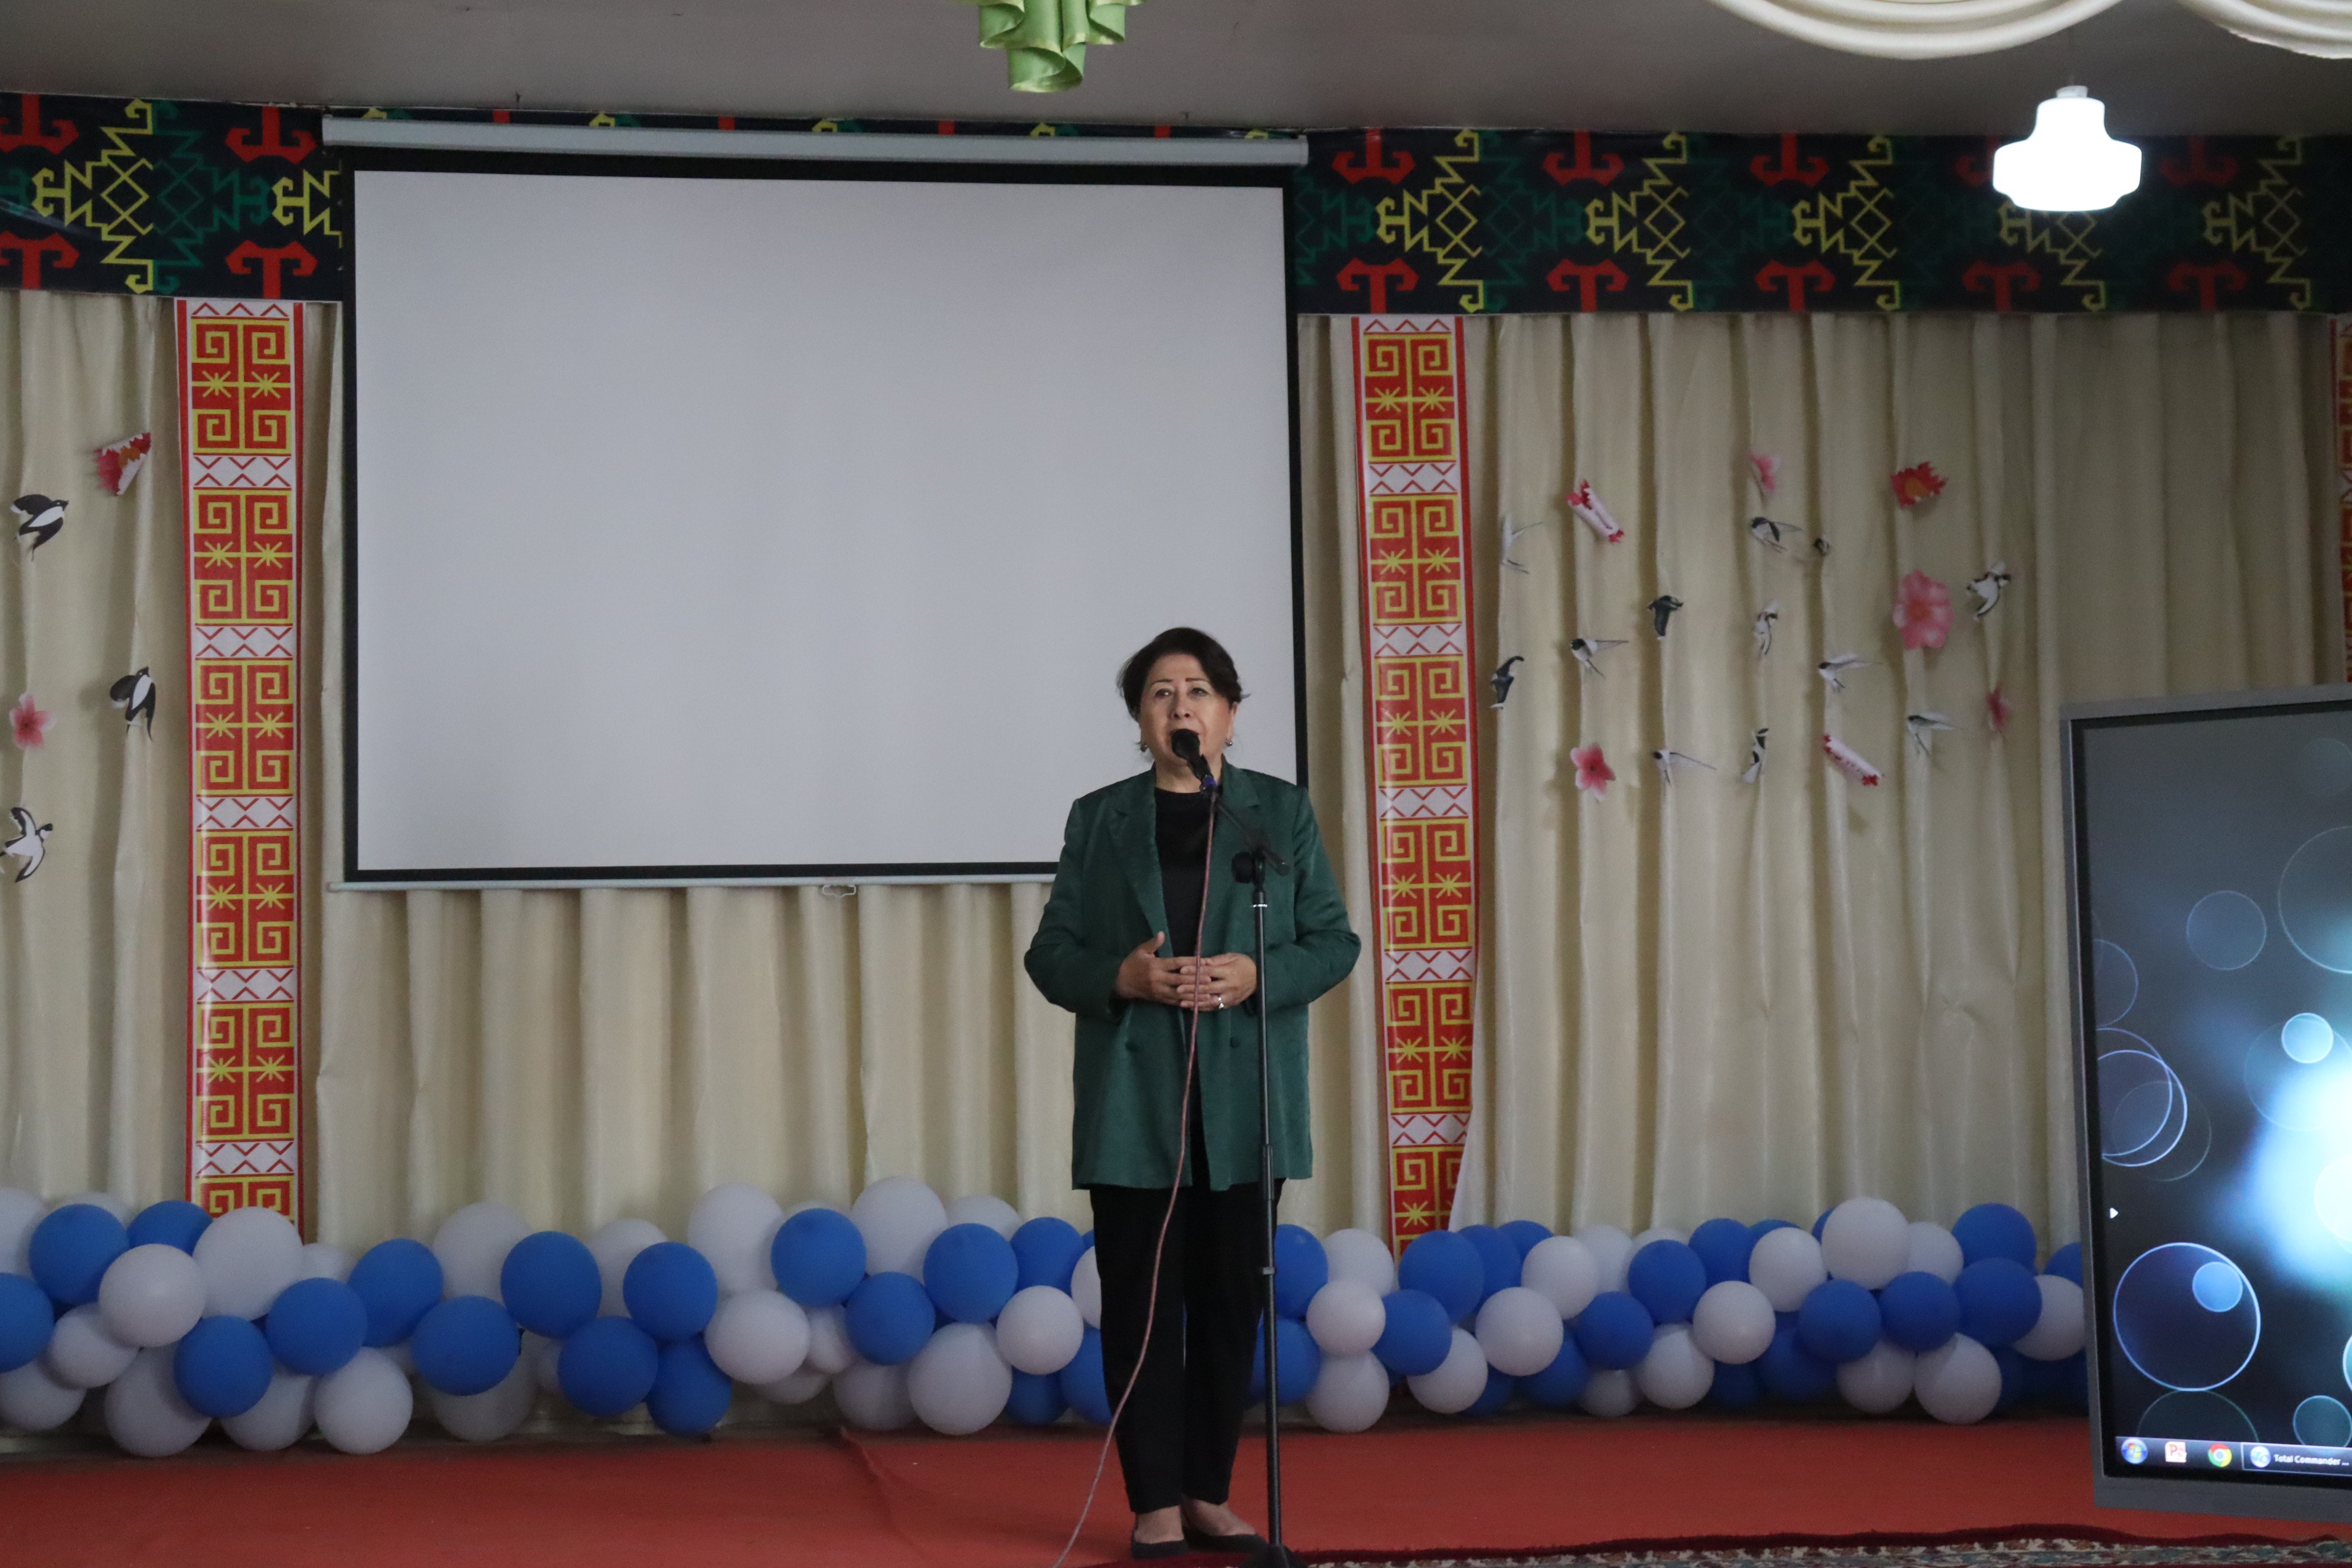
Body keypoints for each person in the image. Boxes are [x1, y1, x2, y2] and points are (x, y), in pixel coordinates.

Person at [1025, 627, 1360, 1560]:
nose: (1182, 706)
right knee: (1142, 1311)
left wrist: (1258, 975)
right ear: (1141, 720)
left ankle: (1208, 1491)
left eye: (1199, 690)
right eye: (1162, 692)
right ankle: (1154, 1506)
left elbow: (1333, 941)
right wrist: (1121, 977)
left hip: (1245, 1105)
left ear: (1231, 714)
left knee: (1229, 1308)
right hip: (1136, 1108)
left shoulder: (1274, 815)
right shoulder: (1100, 820)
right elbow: (1050, 954)